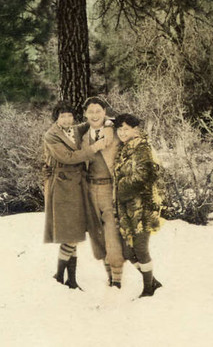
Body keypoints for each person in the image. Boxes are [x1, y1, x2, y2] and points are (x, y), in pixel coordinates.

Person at [43, 101, 106, 289]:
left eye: (70, 115)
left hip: (77, 186)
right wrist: (94, 148)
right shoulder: (51, 135)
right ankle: (60, 276)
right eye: (62, 116)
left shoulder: (75, 130)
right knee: (71, 235)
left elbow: (92, 121)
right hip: (62, 187)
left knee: (75, 233)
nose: (67, 119)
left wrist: (106, 119)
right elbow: (68, 158)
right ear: (56, 118)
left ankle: (69, 279)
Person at [113, 113, 164, 297]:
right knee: (127, 251)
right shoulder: (125, 148)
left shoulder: (142, 148)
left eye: (126, 128)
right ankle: (152, 280)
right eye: (119, 129)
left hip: (143, 207)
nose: (122, 132)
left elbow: (144, 175)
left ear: (136, 129)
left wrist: (120, 187)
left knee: (141, 248)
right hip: (127, 208)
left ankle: (148, 289)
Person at [81, 97, 125, 288]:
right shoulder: (82, 135)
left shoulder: (114, 133)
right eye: (91, 111)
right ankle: (108, 274)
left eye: (98, 111)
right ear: (85, 114)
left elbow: (130, 126)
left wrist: (110, 124)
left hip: (109, 188)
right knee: (96, 233)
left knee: (112, 232)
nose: (95, 115)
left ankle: (117, 278)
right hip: (90, 189)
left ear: (105, 112)